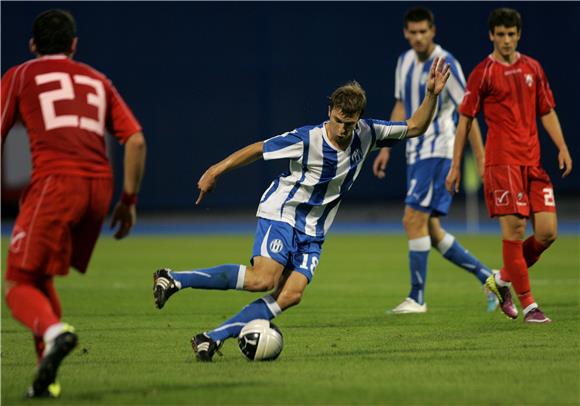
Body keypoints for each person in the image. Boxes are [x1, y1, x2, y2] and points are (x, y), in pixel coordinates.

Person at [153, 59, 451, 362]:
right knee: (263, 280)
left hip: (315, 229)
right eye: (338, 120)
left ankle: (211, 338)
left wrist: (432, 95)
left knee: (291, 294)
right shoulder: (308, 138)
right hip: (284, 210)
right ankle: (175, 278)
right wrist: (216, 170)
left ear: (359, 118)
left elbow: (415, 126)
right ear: (329, 112)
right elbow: (259, 149)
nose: (343, 129)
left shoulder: (368, 133)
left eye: (350, 123)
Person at [1, 9, 146, 397]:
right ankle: (45, 381)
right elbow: (134, 140)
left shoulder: (19, 75)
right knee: (40, 278)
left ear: (33, 45)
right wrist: (128, 200)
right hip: (99, 189)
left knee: (17, 284)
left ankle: (55, 333)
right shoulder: (98, 80)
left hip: (55, 184)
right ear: (74, 46)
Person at [446, 8, 572, 323]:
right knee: (515, 231)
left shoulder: (533, 68)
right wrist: (456, 164)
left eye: (511, 34)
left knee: (547, 233)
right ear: (491, 36)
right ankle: (530, 305)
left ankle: (501, 279)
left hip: (533, 163)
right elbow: (465, 120)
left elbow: (546, 110)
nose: (506, 40)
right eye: (500, 34)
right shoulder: (482, 73)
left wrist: (562, 146)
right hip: (502, 165)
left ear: (518, 35)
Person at [372, 7, 497, 314]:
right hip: (415, 153)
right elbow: (401, 104)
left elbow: (469, 112)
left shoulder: (447, 63)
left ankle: (417, 298)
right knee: (431, 229)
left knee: (411, 220)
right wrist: (386, 147)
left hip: (439, 150)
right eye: (412, 32)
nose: (418, 37)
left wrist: (480, 158)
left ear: (433, 31)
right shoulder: (403, 62)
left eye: (423, 31)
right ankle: (489, 276)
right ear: (405, 33)